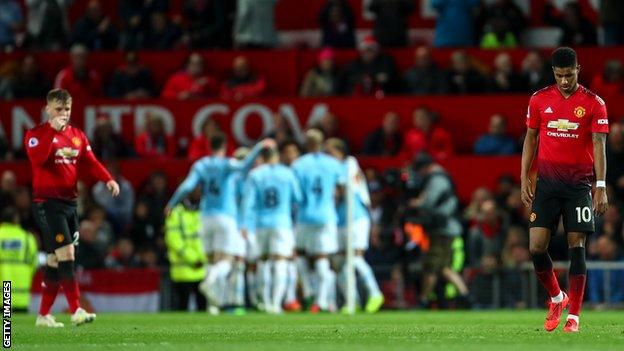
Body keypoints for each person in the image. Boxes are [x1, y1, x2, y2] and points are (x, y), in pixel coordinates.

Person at [521, 47, 609, 333]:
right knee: (536, 248)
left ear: (578, 70)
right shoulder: (539, 99)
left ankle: (575, 317)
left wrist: (600, 186)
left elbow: (599, 145)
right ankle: (557, 297)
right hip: (547, 185)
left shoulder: (594, 103)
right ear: (554, 73)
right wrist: (524, 177)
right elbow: (531, 138)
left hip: (578, 186)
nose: (564, 81)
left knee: (577, 248)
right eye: (559, 76)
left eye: (569, 75)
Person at [25, 89, 120, 327]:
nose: (63, 114)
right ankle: (76, 309)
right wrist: (53, 132)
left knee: (56, 261)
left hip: (70, 204)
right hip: (47, 204)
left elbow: (91, 161)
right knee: (68, 254)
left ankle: (43, 315)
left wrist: (108, 179)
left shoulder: (77, 135)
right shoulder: (35, 135)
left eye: (67, 109)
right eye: (58, 109)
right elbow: (38, 159)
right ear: (48, 109)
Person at [165, 133, 275, 314]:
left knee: (210, 260)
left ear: (209, 146)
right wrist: (260, 147)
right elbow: (245, 166)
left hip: (205, 216)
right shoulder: (227, 164)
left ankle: (212, 305)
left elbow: (187, 186)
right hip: (225, 217)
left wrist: (172, 203)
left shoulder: (201, 165)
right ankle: (210, 283)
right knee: (226, 260)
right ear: (225, 147)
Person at [325, 138, 384, 313]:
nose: (326, 156)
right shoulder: (339, 168)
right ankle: (353, 301)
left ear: (339, 152)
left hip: (355, 218)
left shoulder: (348, 164)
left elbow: (341, 191)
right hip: (341, 220)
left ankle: (375, 293)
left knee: (355, 258)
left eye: (329, 152)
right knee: (342, 261)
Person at [241, 146, 302, 314]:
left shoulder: (256, 175)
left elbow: (249, 202)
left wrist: (245, 224)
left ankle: (266, 302)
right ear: (276, 157)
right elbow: (298, 198)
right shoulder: (287, 173)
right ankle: (276, 303)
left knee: (263, 263)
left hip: (261, 224)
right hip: (282, 223)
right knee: (281, 262)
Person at [291, 129, 345, 312]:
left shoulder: (298, 165)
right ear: (321, 143)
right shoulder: (333, 164)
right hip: (326, 216)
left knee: (300, 255)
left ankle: (308, 291)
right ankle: (321, 302)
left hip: (305, 216)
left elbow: (295, 194)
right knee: (323, 258)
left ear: (306, 144)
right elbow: (342, 189)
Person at [165, 186, 207, 311]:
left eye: (200, 190)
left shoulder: (205, 211)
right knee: (181, 310)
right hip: (182, 270)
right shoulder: (175, 212)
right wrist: (194, 259)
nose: (198, 192)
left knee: (203, 309)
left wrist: (203, 259)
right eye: (195, 189)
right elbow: (173, 240)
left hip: (202, 269)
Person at [0, 207, 38, 312]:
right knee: (18, 327)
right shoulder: (27, 237)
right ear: (16, 220)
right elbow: (34, 262)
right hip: (21, 296)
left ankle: (6, 328)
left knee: (5, 325)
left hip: (2, 296)